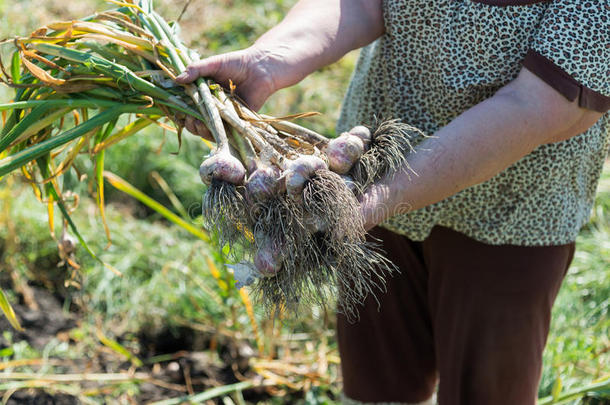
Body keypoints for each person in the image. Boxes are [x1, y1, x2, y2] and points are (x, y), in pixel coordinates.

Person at [176, 0, 610, 404]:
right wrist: (269, 60)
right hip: (368, 160)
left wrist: (378, 196)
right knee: (377, 382)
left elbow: (539, 105)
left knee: (488, 389)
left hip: (512, 207)